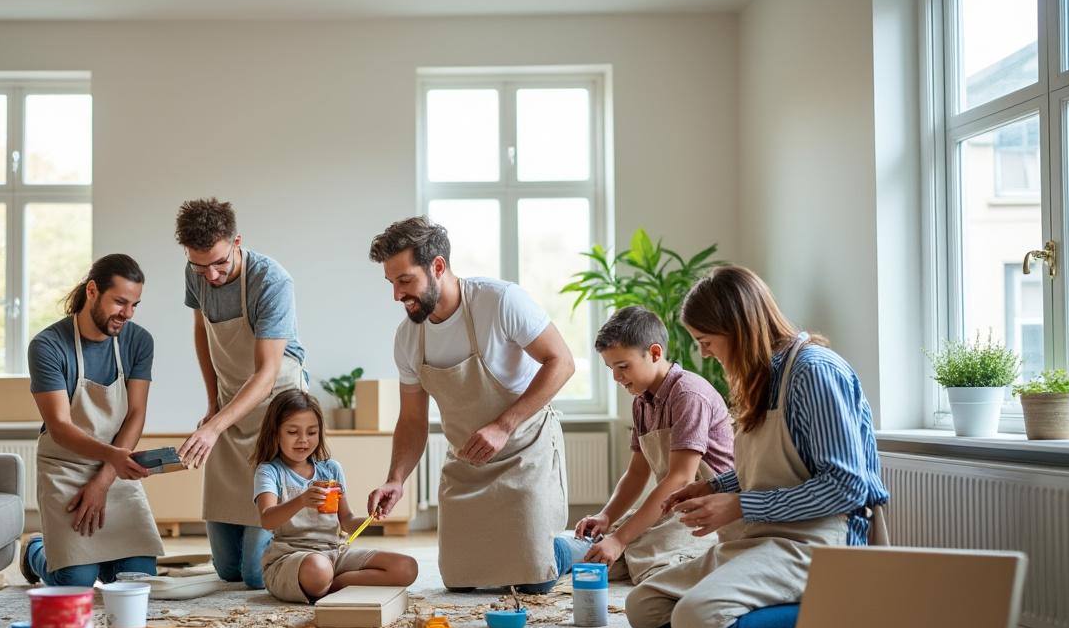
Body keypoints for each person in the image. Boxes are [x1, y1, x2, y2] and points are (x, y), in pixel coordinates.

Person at [627, 265, 890, 628]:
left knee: (696, 621)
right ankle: (761, 608)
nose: (703, 352)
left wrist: (740, 505)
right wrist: (716, 486)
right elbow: (775, 467)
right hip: (765, 537)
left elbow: (846, 486)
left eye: (706, 340)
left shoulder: (814, 372)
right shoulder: (759, 377)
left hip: (816, 542)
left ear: (739, 329)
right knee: (643, 607)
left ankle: (849, 614)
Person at [366, 216, 572, 593]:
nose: (396, 295)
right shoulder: (408, 338)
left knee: (534, 580)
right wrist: (396, 479)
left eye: (405, 280)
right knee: (460, 581)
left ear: (438, 266)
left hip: (524, 451)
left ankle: (577, 547)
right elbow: (412, 420)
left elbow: (562, 362)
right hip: (467, 463)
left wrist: (504, 425)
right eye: (392, 283)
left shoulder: (501, 301)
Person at [174, 198, 307, 589]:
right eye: (200, 265)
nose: (210, 275)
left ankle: (309, 548)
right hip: (232, 404)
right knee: (227, 569)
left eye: (219, 263)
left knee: (254, 574)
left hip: (277, 407)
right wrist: (213, 403)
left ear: (237, 241)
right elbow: (205, 336)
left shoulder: (272, 280)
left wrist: (214, 427)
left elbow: (266, 375)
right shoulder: (195, 271)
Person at [555, 305, 735, 582]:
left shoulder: (688, 395)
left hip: (706, 505)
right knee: (610, 541)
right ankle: (560, 555)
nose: (616, 377)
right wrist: (606, 516)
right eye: (610, 368)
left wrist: (620, 539)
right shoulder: (642, 402)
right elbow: (637, 473)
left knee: (640, 549)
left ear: (654, 353)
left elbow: (680, 478)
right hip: (674, 504)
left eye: (623, 366)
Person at [19, 254, 163, 587]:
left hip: (114, 468)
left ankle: (102, 559)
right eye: (120, 302)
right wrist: (113, 458)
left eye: (134, 305)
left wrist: (105, 478)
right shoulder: (47, 346)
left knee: (138, 581)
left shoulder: (138, 341)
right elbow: (59, 426)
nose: (127, 314)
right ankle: (35, 550)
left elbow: (136, 413)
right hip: (65, 466)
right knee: (76, 583)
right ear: (93, 291)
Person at [254, 389, 419, 602]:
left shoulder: (331, 469)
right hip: (291, 558)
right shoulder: (269, 471)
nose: (303, 440)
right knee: (318, 570)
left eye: (312, 432)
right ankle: (326, 582)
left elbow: (347, 521)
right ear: (275, 432)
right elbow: (267, 519)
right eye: (293, 432)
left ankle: (330, 585)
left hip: (335, 553)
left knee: (407, 567)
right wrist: (302, 500)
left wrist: (371, 518)